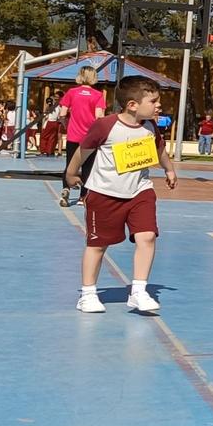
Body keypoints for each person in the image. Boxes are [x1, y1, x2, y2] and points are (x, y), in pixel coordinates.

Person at [67, 76, 178, 315]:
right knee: (98, 245)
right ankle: (87, 294)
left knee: (147, 236)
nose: (158, 105)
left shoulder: (150, 127)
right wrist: (71, 172)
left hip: (140, 190)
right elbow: (83, 150)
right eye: (154, 101)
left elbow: (158, 149)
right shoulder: (106, 126)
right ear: (132, 105)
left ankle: (138, 291)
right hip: (104, 193)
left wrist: (169, 169)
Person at [58, 66, 108, 206]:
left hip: (73, 135)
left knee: (69, 165)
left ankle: (66, 189)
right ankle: (83, 196)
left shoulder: (72, 92)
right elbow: (99, 116)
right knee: (88, 167)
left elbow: (62, 114)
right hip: (90, 136)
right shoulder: (98, 95)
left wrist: (67, 125)